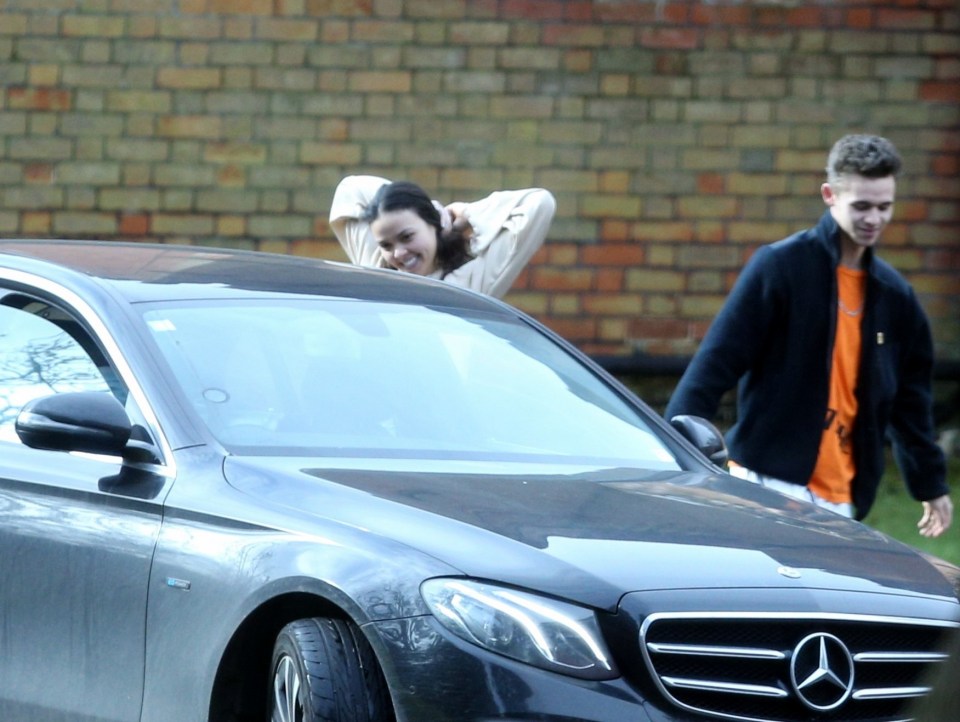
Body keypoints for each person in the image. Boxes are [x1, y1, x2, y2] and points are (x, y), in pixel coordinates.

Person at [665, 134, 953, 537]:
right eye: (862, 206)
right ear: (829, 195)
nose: (874, 219)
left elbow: (910, 402)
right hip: (765, 480)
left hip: (843, 494)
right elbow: (715, 364)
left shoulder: (895, 297)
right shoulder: (782, 268)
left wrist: (931, 485)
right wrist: (671, 454)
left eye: (885, 207)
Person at [329, 175, 556, 299]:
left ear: (434, 224)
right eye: (386, 245)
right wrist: (403, 200)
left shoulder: (470, 284)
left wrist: (463, 212)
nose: (398, 253)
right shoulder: (376, 270)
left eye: (407, 237)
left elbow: (539, 204)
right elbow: (350, 189)